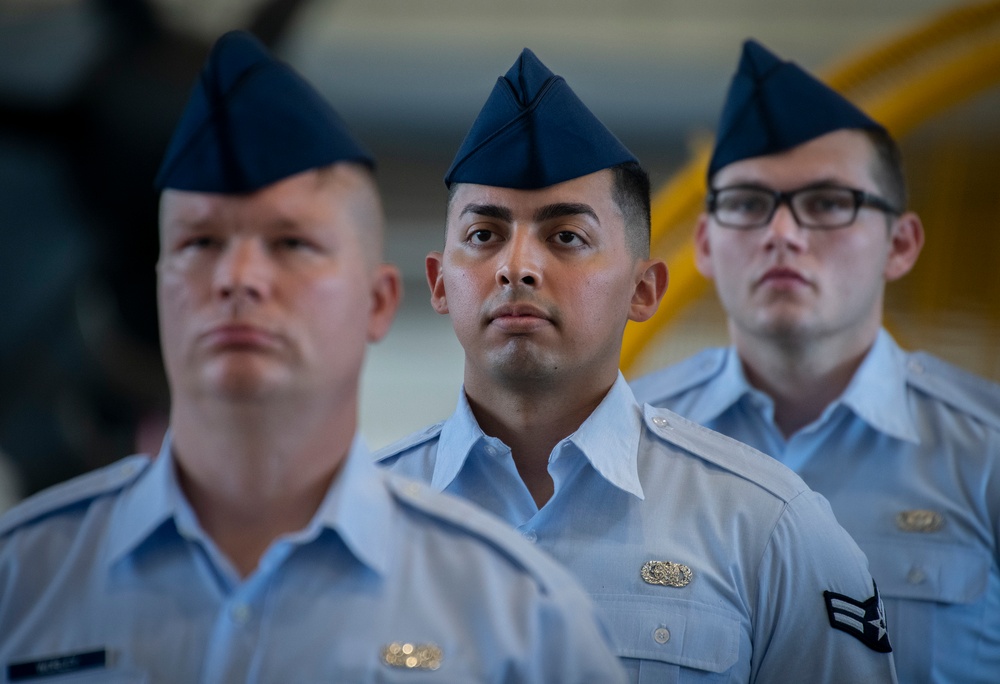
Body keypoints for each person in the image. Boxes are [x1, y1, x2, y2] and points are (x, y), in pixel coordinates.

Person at [0, 31, 629, 683]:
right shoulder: (21, 585)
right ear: (159, 288)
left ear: (379, 301)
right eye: (202, 242)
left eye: (291, 243)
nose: (238, 276)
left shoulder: (521, 622)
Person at [376, 47, 898, 683]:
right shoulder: (353, 527)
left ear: (643, 289)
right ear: (438, 282)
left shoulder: (767, 528)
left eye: (566, 236)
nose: (517, 266)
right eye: (484, 235)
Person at [629, 38, 1000, 684]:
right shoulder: (624, 448)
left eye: (828, 204)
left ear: (901, 244)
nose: (783, 233)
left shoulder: (986, 452)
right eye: (747, 204)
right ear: (706, 244)